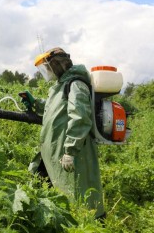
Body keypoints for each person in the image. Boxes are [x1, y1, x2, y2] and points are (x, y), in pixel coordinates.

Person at [30, 47, 105, 220]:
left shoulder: (75, 84)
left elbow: (80, 117)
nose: (47, 72)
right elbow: (55, 109)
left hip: (72, 151)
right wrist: (35, 103)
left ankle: (91, 224)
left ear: (57, 65)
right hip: (55, 151)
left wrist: (70, 151)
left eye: (48, 67)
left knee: (80, 191)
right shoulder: (61, 85)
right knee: (58, 190)